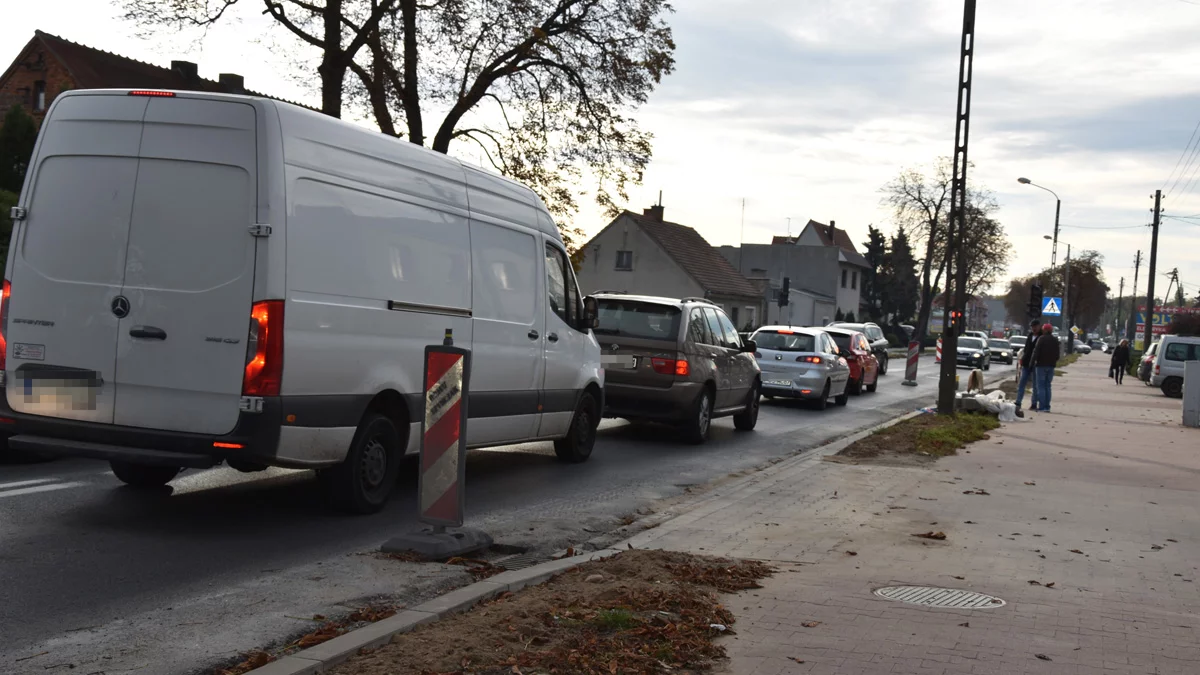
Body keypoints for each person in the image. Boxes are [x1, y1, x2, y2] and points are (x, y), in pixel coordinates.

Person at [1032, 322, 1061, 412]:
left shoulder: (1041, 339)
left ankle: (1042, 406)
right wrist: (1054, 361)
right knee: (1048, 386)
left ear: (1044, 330)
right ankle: (1047, 406)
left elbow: (1036, 352)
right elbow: (1057, 355)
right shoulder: (1055, 340)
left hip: (1041, 365)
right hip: (1051, 366)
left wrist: (1032, 362)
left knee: (1040, 386)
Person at [1014, 322, 1041, 410]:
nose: (1034, 328)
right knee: (1022, 383)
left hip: (1036, 364)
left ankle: (1034, 403)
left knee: (1035, 385)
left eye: (1035, 327)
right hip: (1026, 363)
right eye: (1032, 327)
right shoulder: (1029, 336)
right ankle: (1018, 401)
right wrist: (1023, 358)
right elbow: (1026, 349)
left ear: (1039, 327)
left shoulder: (1041, 337)